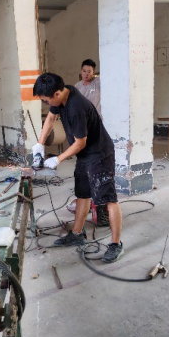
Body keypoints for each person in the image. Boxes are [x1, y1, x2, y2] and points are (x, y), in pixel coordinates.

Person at [33, 73, 124, 263]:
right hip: (84, 155)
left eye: (47, 100)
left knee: (108, 200)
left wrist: (58, 159)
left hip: (99, 154)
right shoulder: (64, 92)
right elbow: (51, 118)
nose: (47, 103)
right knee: (83, 194)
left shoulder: (76, 107)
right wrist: (40, 144)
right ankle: (77, 234)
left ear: (57, 94)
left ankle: (116, 244)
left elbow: (80, 142)